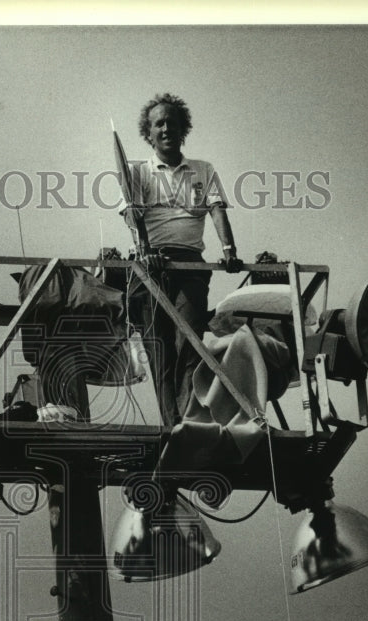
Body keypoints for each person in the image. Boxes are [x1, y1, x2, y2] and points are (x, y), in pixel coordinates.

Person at [120, 93, 243, 426]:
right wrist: (145, 252)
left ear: (182, 128)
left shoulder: (203, 169)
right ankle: (172, 425)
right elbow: (132, 217)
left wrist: (229, 249)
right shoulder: (138, 173)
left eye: (171, 122)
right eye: (159, 123)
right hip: (150, 268)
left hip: (190, 266)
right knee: (159, 352)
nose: (166, 128)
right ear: (149, 132)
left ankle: (188, 422)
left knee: (188, 342)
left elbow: (217, 209)